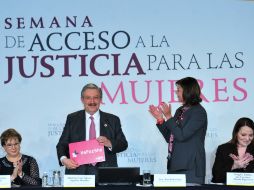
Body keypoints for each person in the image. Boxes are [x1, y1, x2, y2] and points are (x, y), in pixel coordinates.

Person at [56, 83, 128, 175]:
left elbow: (123, 144)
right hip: (78, 173)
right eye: (88, 98)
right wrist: (64, 159)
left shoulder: (113, 120)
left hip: (105, 174)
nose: (92, 101)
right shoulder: (72, 119)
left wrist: (109, 143)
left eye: (96, 97)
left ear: (100, 100)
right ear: (82, 100)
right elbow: (62, 144)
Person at [149, 77, 207, 184]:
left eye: (179, 90)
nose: (176, 92)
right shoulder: (180, 110)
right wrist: (161, 119)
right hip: (174, 165)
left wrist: (168, 116)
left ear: (188, 91)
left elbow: (182, 136)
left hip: (190, 168)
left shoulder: (198, 112)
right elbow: (171, 137)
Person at [211, 117, 254, 184]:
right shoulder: (223, 149)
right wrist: (234, 166)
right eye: (243, 135)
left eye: (251, 135)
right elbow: (216, 177)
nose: (247, 138)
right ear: (236, 133)